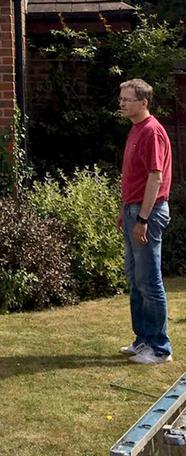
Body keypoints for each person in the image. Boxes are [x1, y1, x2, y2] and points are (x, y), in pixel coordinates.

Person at [118, 77, 173, 365]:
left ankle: (160, 348)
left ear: (144, 102)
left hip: (146, 213)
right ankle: (143, 340)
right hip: (132, 210)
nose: (122, 102)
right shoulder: (136, 129)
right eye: (121, 98)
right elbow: (133, 176)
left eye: (127, 98)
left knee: (149, 281)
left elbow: (155, 177)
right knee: (135, 279)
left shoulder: (152, 132)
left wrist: (142, 218)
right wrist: (124, 211)